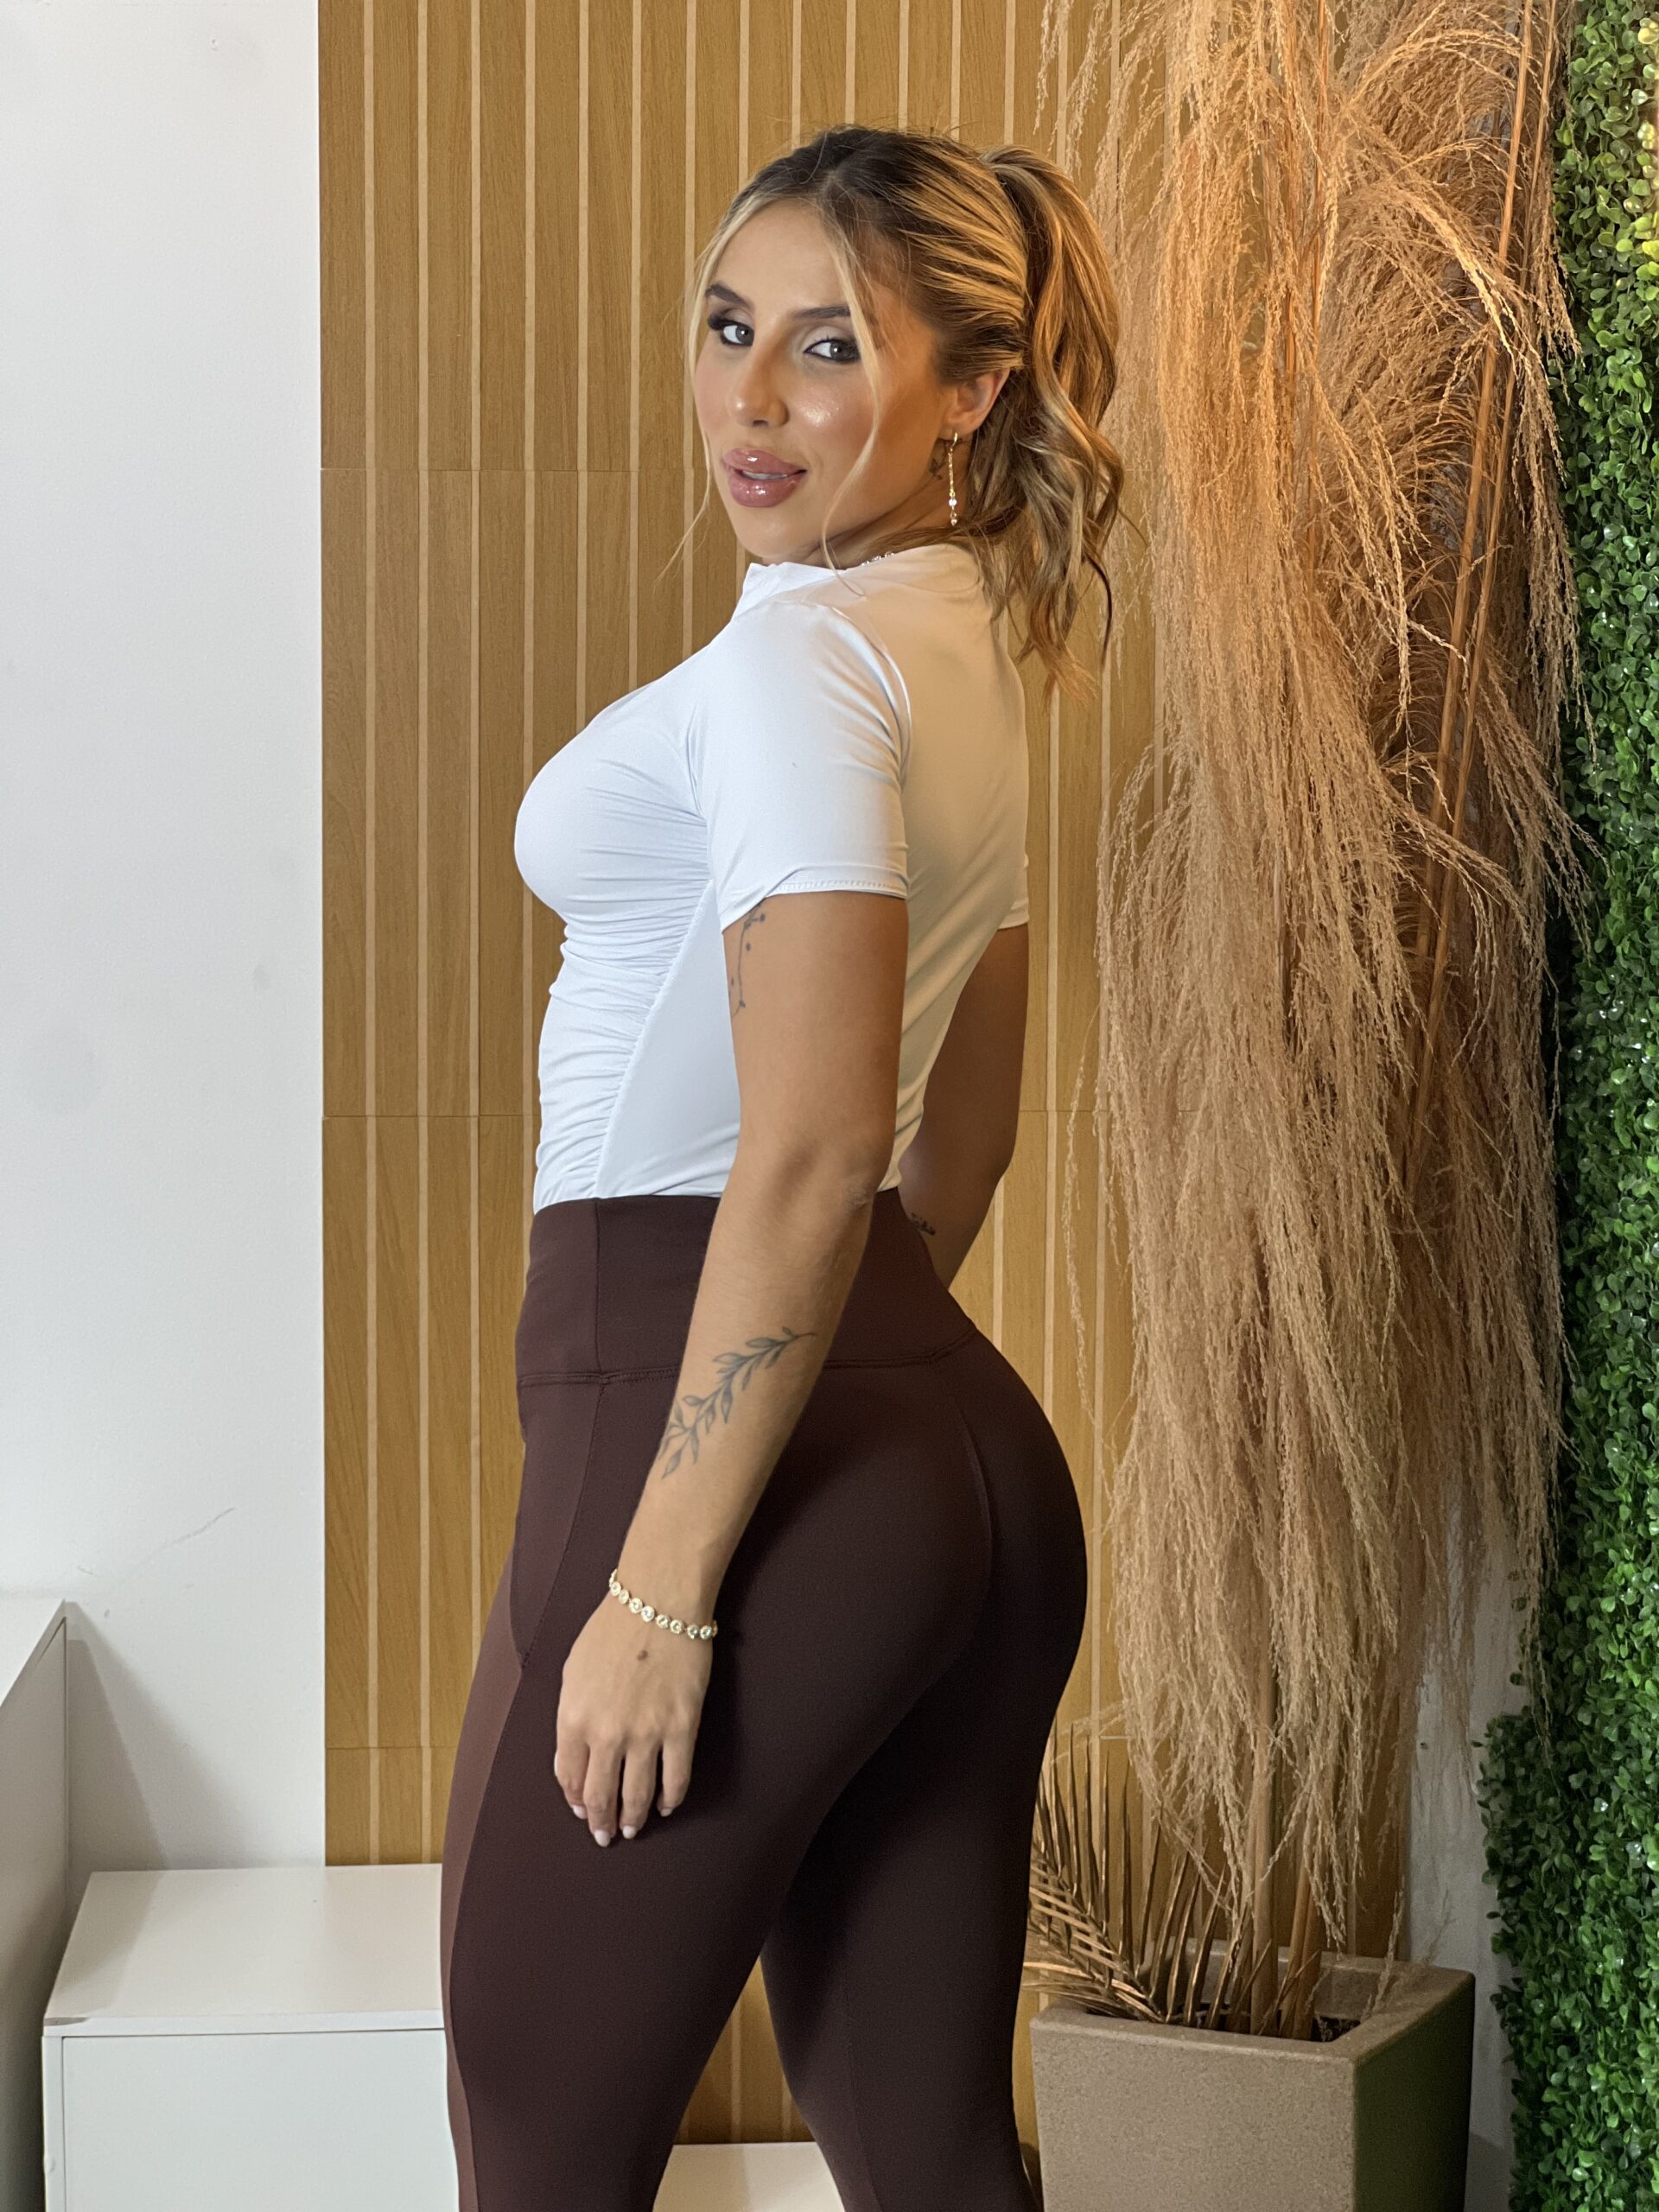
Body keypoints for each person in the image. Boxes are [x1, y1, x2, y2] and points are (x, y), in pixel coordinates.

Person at [439, 120, 1122, 2212]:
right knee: (927, 2153)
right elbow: (963, 1132)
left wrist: (669, 1578)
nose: (750, 398)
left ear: (972, 387)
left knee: (540, 2137)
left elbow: (823, 1149)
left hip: (707, 1425)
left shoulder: (802, 663)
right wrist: (874, 1376)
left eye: (828, 346)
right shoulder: (965, 641)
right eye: (727, 326)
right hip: (946, 1446)